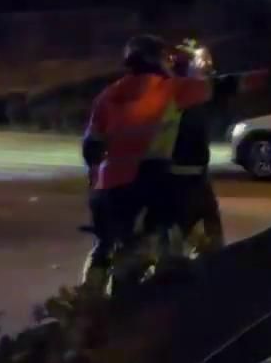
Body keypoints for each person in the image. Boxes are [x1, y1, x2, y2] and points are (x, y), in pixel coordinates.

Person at [80, 34, 210, 290]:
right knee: (167, 233)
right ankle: (162, 285)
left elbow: (90, 145)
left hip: (108, 184)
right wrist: (191, 65)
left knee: (104, 244)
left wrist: (95, 179)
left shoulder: (108, 95)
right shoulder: (172, 89)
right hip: (151, 179)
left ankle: (89, 295)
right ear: (158, 60)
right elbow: (208, 87)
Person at [156, 39, 224, 252]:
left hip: (179, 176)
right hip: (187, 179)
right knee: (206, 237)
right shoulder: (190, 92)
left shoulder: (167, 92)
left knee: (175, 234)